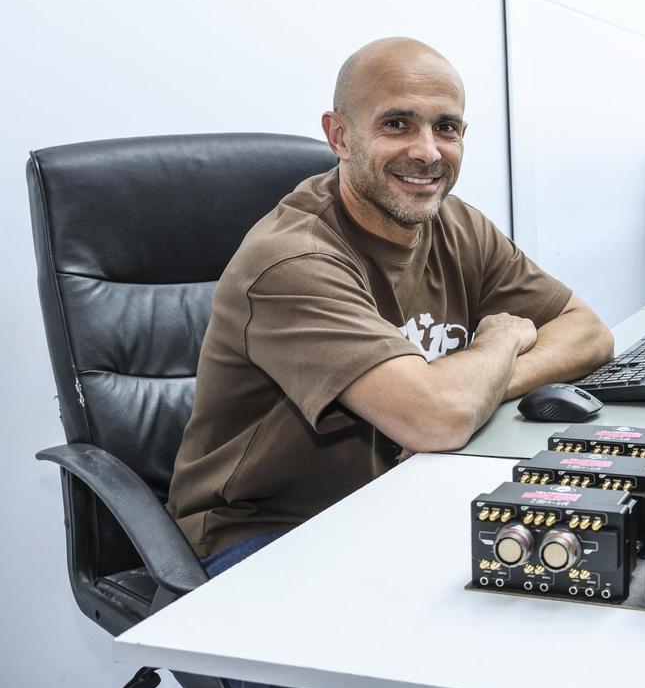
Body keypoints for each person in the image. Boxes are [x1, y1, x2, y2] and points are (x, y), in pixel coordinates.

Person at [167, 38, 614, 578]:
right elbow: (437, 419)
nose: (427, 152)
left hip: (401, 496)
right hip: (270, 533)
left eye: (446, 127)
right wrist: (498, 341)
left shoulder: (457, 224)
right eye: (397, 124)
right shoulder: (291, 259)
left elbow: (588, 332)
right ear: (340, 136)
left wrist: (483, 384)